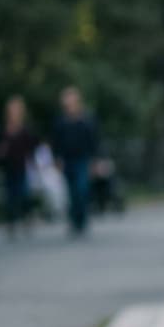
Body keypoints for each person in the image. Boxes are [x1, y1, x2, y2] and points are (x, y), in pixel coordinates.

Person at [51, 86, 99, 236]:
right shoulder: (60, 122)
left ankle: (82, 219)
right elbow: (56, 143)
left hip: (82, 160)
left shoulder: (86, 120)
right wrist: (57, 159)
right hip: (67, 160)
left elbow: (93, 142)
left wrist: (95, 161)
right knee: (71, 192)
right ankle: (74, 220)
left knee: (81, 189)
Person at [0, 95, 38, 239]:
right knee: (10, 196)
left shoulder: (25, 129)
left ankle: (25, 218)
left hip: (21, 166)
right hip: (8, 167)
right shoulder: (3, 129)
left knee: (23, 194)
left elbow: (32, 146)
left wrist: (33, 161)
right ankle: (12, 222)